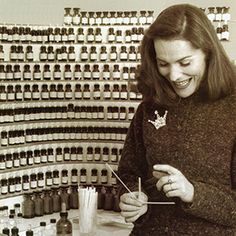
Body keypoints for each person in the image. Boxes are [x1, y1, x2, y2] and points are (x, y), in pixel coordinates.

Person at [117, 3, 236, 236]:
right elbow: (129, 172)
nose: (174, 75)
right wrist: (132, 196)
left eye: (185, 63)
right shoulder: (149, 109)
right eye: (163, 64)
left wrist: (193, 193)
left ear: (208, 53)